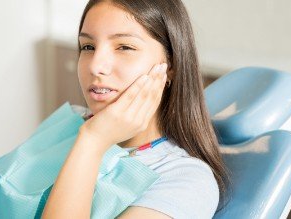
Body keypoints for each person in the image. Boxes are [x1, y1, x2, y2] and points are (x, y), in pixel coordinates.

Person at [42, 0, 229, 218]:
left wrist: (92, 141)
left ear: (171, 66)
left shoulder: (186, 180)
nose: (95, 66)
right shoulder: (70, 123)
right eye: (88, 47)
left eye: (124, 47)